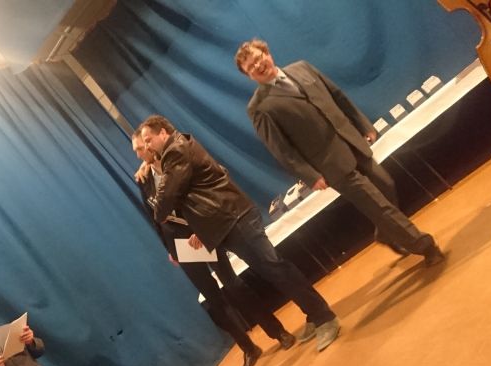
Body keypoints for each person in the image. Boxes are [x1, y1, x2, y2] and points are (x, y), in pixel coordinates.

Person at [137, 115, 340, 352]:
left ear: (163, 133)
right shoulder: (176, 150)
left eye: (148, 140)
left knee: (275, 267)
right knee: (272, 269)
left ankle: (324, 317)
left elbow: (166, 199)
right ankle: (313, 313)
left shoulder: (176, 151)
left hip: (235, 218)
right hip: (227, 221)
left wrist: (160, 207)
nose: (147, 147)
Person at [235, 38, 445, 266]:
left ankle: (385, 233)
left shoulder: (302, 67)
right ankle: (425, 246)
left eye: (258, 58)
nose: (258, 65)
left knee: (386, 185)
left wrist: (363, 124)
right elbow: (280, 150)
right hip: (329, 164)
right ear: (249, 76)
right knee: (378, 206)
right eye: (251, 67)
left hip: (351, 142)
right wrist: (310, 176)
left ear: (267, 53)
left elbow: (337, 95)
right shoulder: (258, 108)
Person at [132, 132, 298, 366]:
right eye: (137, 149)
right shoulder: (144, 179)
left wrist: (200, 230)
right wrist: (170, 249)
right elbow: (155, 216)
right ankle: (248, 348)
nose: (139, 153)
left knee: (234, 286)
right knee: (213, 299)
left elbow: (196, 195)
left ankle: (277, 332)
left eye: (142, 147)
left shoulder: (174, 161)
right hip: (181, 246)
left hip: (203, 233)